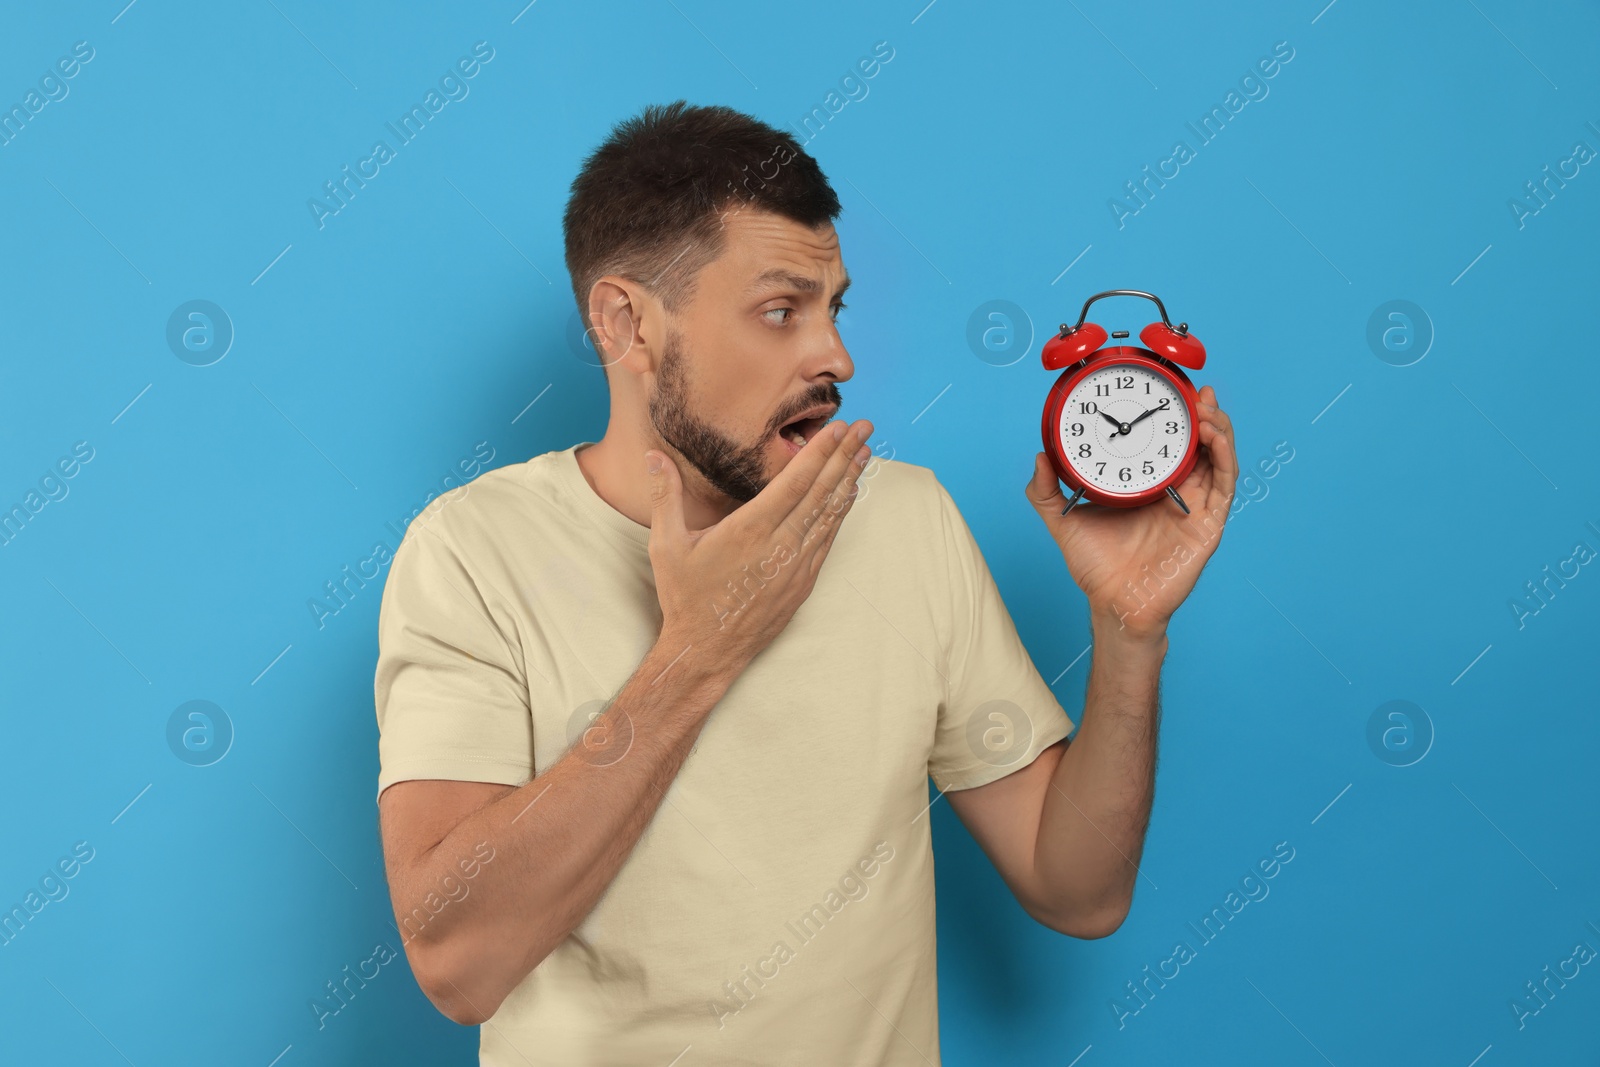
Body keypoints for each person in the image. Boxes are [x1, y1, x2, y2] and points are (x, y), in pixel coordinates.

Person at [373, 100, 1237, 1065]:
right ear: (626, 324)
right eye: (781, 311)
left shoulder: (907, 521)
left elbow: (1077, 888)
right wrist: (699, 654)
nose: (836, 357)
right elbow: (457, 961)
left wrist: (1130, 632)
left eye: (834, 308)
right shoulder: (470, 553)